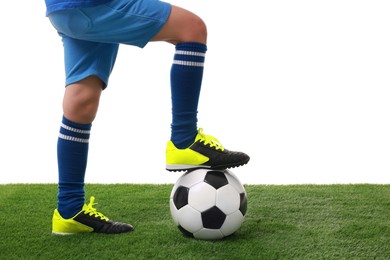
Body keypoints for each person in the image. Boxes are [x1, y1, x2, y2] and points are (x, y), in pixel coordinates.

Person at [45, 0, 250, 235]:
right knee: (192, 29)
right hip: (94, 4)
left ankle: (69, 211)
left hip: (63, 10)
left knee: (82, 100)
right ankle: (184, 140)